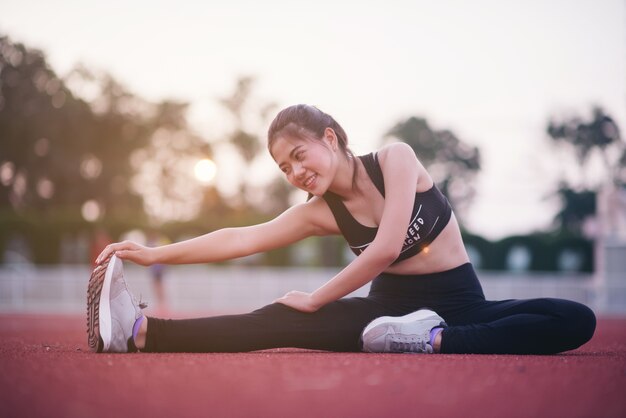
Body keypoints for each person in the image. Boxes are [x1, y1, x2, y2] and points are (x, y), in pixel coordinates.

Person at [89, 104, 596, 354]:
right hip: (384, 314)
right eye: (284, 168)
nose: (295, 173)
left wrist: (315, 297)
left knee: (575, 319)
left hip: (461, 303)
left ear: (329, 138)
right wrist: (153, 254)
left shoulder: (396, 159)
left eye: (298, 155)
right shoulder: (320, 210)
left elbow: (386, 247)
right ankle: (139, 333)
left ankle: (435, 341)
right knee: (274, 320)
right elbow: (241, 238)